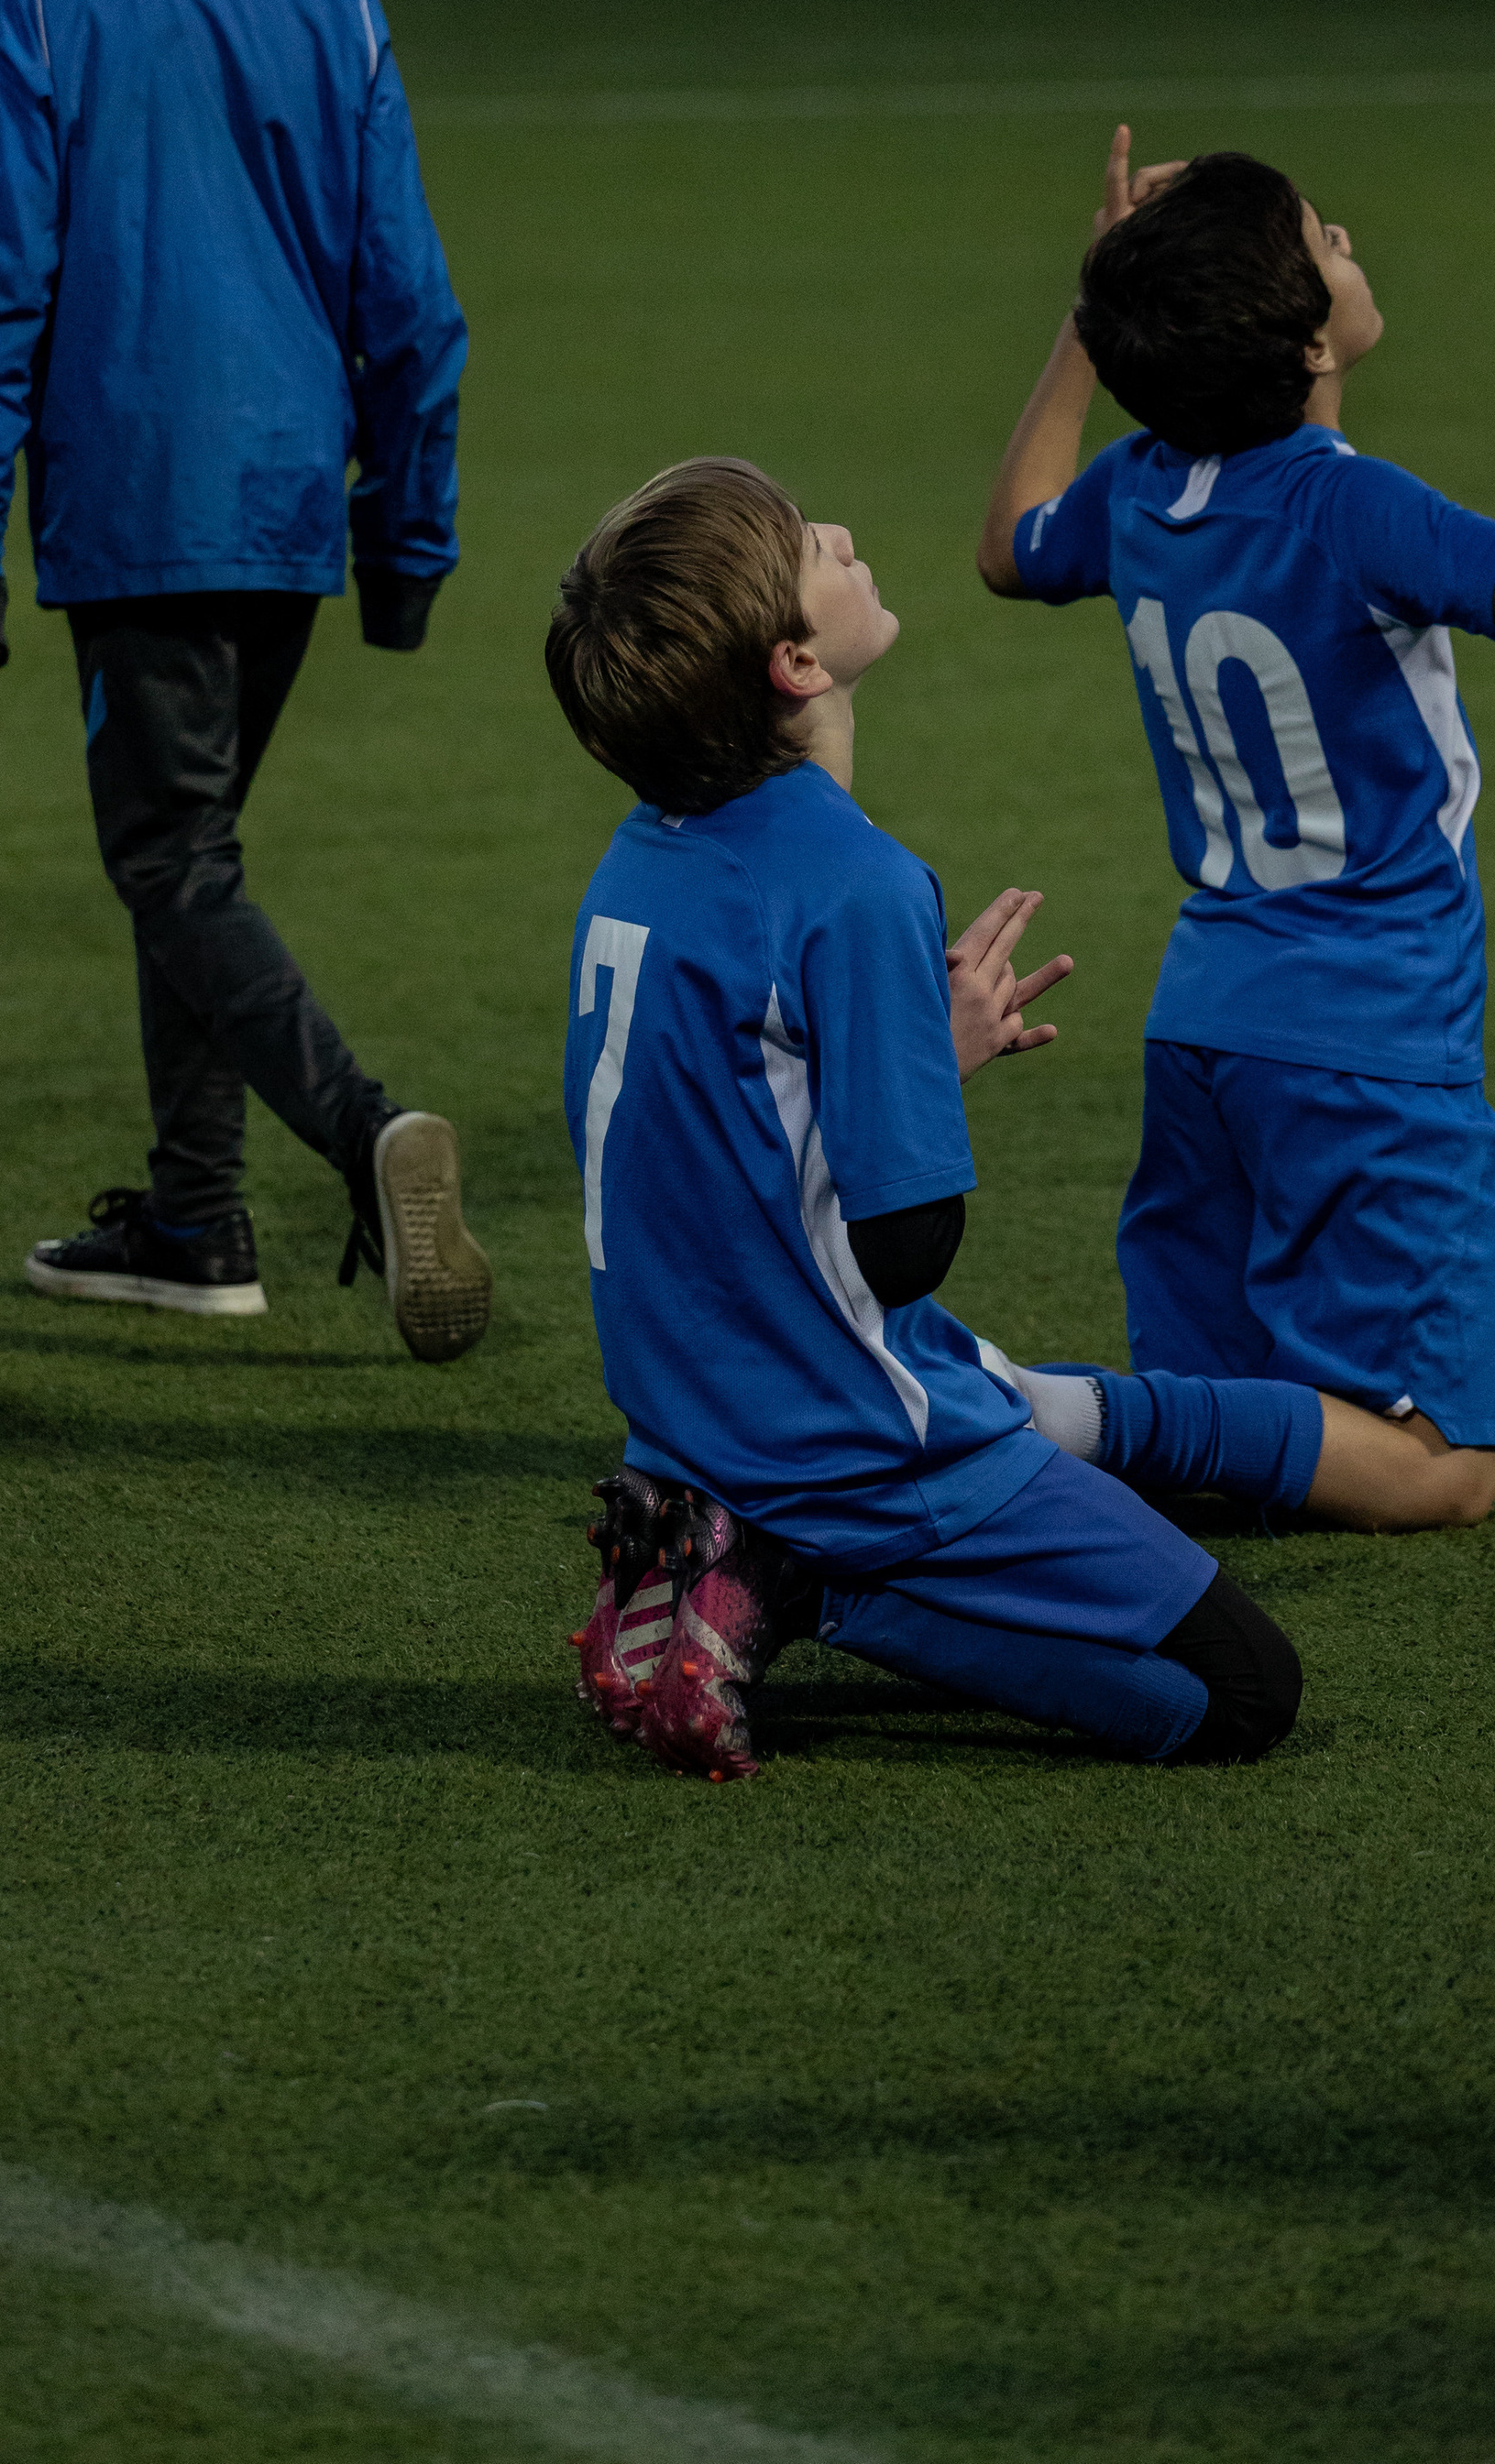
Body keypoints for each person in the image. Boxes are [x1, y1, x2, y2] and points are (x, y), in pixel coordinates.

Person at [544, 456, 1315, 1783]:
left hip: (686, 1415)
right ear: (794, 662)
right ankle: (805, 1585)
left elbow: (731, 1145)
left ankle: (740, 1548)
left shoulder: (642, 853)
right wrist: (905, 1065)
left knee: (1131, 1421)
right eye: (809, 542)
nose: (841, 530)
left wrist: (902, 1057)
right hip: (847, 1435)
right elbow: (909, 1249)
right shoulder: (856, 883)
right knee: (1241, 1691)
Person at [0, 0, 491, 1361]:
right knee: (195, 857)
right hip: (289, 508)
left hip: (140, 499)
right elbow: (417, 310)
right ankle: (194, 1216)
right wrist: (413, 539)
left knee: (169, 859)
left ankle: (364, 1131)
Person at [975, 130, 1495, 1529]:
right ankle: (1054, 1412)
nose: (1350, 240)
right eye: (1326, 241)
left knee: (1221, 1444)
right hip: (1368, 1036)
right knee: (1441, 1467)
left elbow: (1010, 543)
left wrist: (1098, 311)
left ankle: (1061, 1428)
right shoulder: (1345, 505)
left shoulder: (1144, 490)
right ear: (1303, 341)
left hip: (1206, 1026)